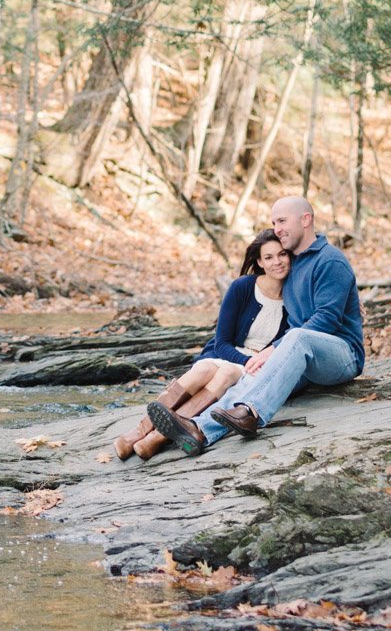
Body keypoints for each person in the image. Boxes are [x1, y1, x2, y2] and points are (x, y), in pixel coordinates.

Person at [148, 195, 364, 456]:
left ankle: (250, 412)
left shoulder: (330, 261)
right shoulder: (291, 263)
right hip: (302, 356)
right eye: (274, 223)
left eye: (282, 221)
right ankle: (199, 430)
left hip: (342, 356)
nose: (277, 229)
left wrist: (273, 349)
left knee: (296, 338)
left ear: (306, 219)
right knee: (252, 379)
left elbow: (327, 319)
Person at [114, 230, 290, 461]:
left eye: (282, 254)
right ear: (259, 262)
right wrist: (247, 361)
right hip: (229, 354)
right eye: (268, 257)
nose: (277, 262)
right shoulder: (242, 287)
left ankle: (157, 438)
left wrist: (253, 363)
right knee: (205, 369)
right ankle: (138, 432)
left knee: (226, 373)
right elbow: (221, 342)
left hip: (252, 367)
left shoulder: (295, 297)